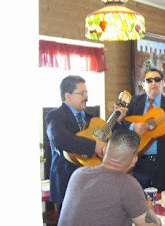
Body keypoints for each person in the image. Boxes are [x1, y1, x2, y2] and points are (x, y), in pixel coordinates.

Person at [45, 75, 127, 210]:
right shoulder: (56, 116)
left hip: (94, 183)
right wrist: (94, 146)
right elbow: (59, 138)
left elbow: (111, 139)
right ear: (68, 96)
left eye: (86, 92)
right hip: (68, 184)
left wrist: (117, 122)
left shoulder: (92, 118)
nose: (86, 96)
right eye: (81, 93)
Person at [58, 129, 161, 226]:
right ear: (134, 160)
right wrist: (149, 207)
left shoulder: (79, 174)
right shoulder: (127, 183)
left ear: (105, 149)